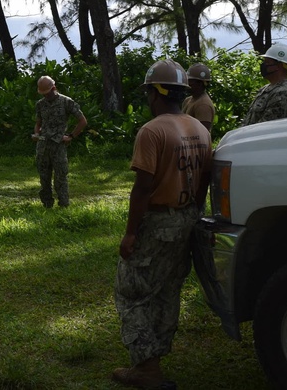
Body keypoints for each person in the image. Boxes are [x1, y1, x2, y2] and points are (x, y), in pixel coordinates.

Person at [113, 59, 212, 389]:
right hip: (187, 219)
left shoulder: (152, 130)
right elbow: (203, 182)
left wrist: (130, 234)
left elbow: (142, 188)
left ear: (155, 93)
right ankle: (158, 355)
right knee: (169, 291)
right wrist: (192, 214)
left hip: (158, 223)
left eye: (147, 93)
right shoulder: (200, 129)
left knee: (132, 292)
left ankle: (146, 367)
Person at [32, 75, 87, 208]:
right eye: (43, 94)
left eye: (47, 93)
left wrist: (71, 136)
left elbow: (83, 121)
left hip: (58, 146)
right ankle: (47, 205)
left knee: (60, 178)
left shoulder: (66, 102)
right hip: (43, 145)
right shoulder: (40, 104)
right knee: (44, 178)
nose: (46, 96)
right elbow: (38, 123)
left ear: (54, 88)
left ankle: (64, 206)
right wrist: (36, 134)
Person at [241, 43, 287, 126]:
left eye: (267, 62)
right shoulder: (265, 89)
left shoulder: (285, 93)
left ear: (278, 66)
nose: (263, 65)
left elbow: (267, 127)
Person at [181, 63, 216, 132]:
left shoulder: (203, 105)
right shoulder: (188, 100)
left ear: (199, 84)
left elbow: (203, 133)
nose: (187, 83)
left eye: (190, 81)